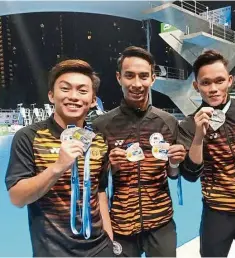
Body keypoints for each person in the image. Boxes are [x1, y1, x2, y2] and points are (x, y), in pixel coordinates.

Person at [5, 60, 114, 256]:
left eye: (82, 91)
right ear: (51, 95)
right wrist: (58, 167)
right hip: (53, 251)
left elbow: (100, 192)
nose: (73, 96)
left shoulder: (98, 140)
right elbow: (17, 198)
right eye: (65, 89)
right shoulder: (29, 137)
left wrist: (110, 238)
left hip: (100, 248)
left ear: (92, 100)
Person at [93, 46, 186, 257]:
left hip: (161, 223)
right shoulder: (102, 125)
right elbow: (97, 184)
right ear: (119, 78)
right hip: (121, 226)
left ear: (153, 79)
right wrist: (110, 165)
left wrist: (174, 163)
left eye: (144, 76)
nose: (137, 84)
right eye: (129, 76)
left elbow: (173, 175)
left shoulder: (168, 122)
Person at [177, 50, 235, 257]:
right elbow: (190, 174)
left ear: (229, 81)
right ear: (196, 86)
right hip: (217, 214)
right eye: (206, 83)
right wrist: (199, 136)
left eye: (219, 81)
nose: (213, 89)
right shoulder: (189, 123)